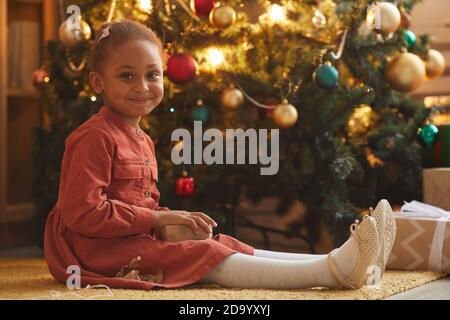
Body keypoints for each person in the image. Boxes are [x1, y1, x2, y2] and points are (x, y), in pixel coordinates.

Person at [44, 20, 396, 291]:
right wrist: (157, 223)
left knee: (217, 242)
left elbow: (142, 206)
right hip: (95, 249)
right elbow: (83, 213)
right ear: (97, 82)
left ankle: (335, 260)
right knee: (200, 255)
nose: (142, 87)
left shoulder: (141, 138)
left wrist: (170, 220)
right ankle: (332, 274)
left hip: (126, 235)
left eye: (152, 75)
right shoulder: (93, 137)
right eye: (126, 76)